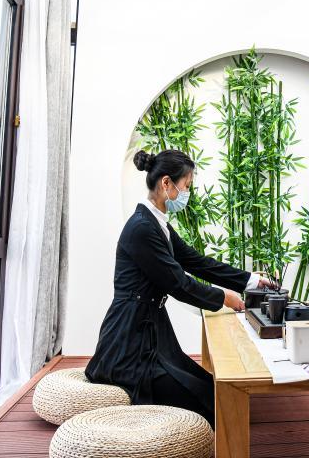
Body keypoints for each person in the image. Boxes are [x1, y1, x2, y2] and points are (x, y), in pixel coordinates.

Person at [85, 149, 273, 427]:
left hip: (153, 330)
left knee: (215, 389)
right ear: (166, 183)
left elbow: (197, 263)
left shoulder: (158, 225)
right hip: (130, 342)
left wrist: (250, 281)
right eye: (186, 185)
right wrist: (224, 297)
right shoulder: (141, 228)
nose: (187, 193)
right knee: (211, 402)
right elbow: (178, 284)